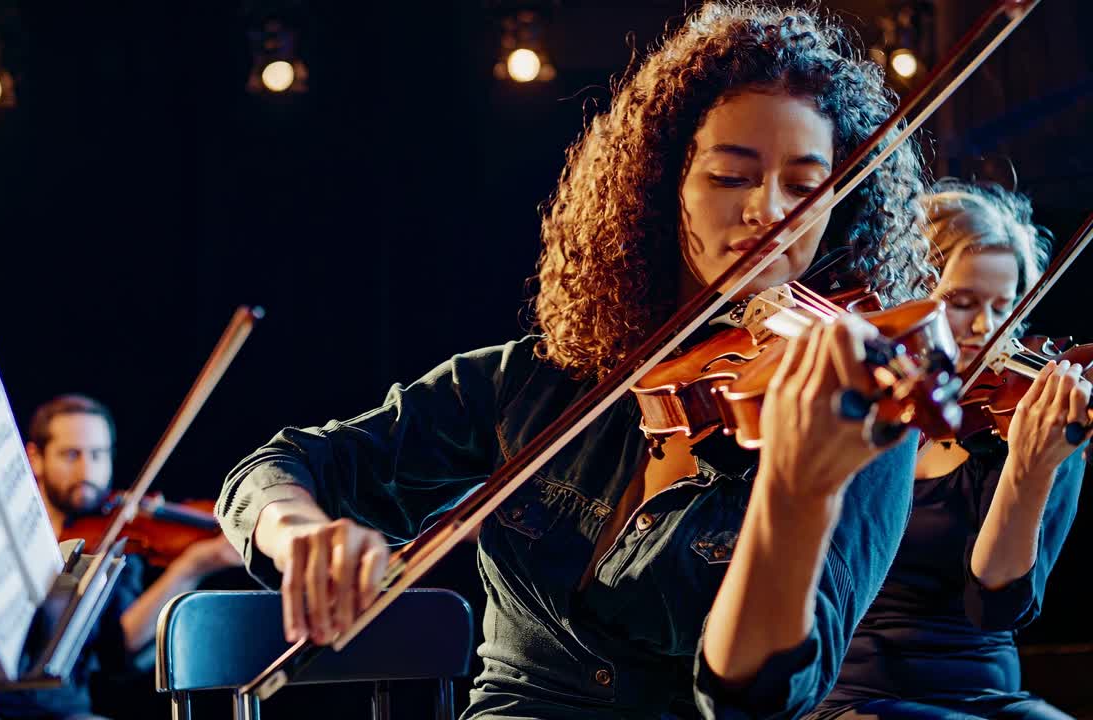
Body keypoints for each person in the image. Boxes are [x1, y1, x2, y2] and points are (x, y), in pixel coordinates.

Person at [217, 3, 938, 717]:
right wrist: (301, 532)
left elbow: (760, 697)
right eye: (730, 177)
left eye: (805, 187)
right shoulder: (531, 383)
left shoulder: (858, 417)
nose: (769, 213)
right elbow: (277, 471)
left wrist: (794, 489)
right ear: (665, 188)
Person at [809, 181, 1088, 720]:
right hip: (850, 693)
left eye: (1003, 309)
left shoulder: (1034, 423)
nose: (985, 329)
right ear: (903, 292)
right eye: (961, 304)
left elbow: (995, 607)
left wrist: (1030, 468)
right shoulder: (854, 408)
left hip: (986, 694)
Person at [0, 394, 242, 720]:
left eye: (98, 455)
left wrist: (191, 566)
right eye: (71, 455)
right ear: (36, 458)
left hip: (63, 710)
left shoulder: (119, 542)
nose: (87, 471)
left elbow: (118, 651)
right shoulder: (3, 532)